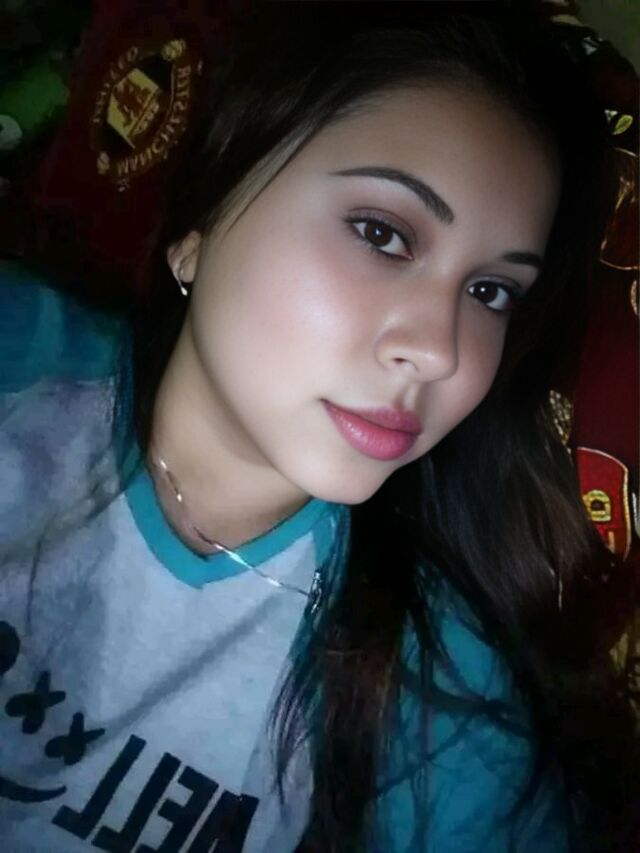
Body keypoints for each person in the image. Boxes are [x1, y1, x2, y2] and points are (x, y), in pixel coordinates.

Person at [0, 2, 637, 851]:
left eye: (490, 292)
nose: (440, 351)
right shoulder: (20, 357)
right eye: (382, 233)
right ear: (201, 227)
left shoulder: (439, 703)